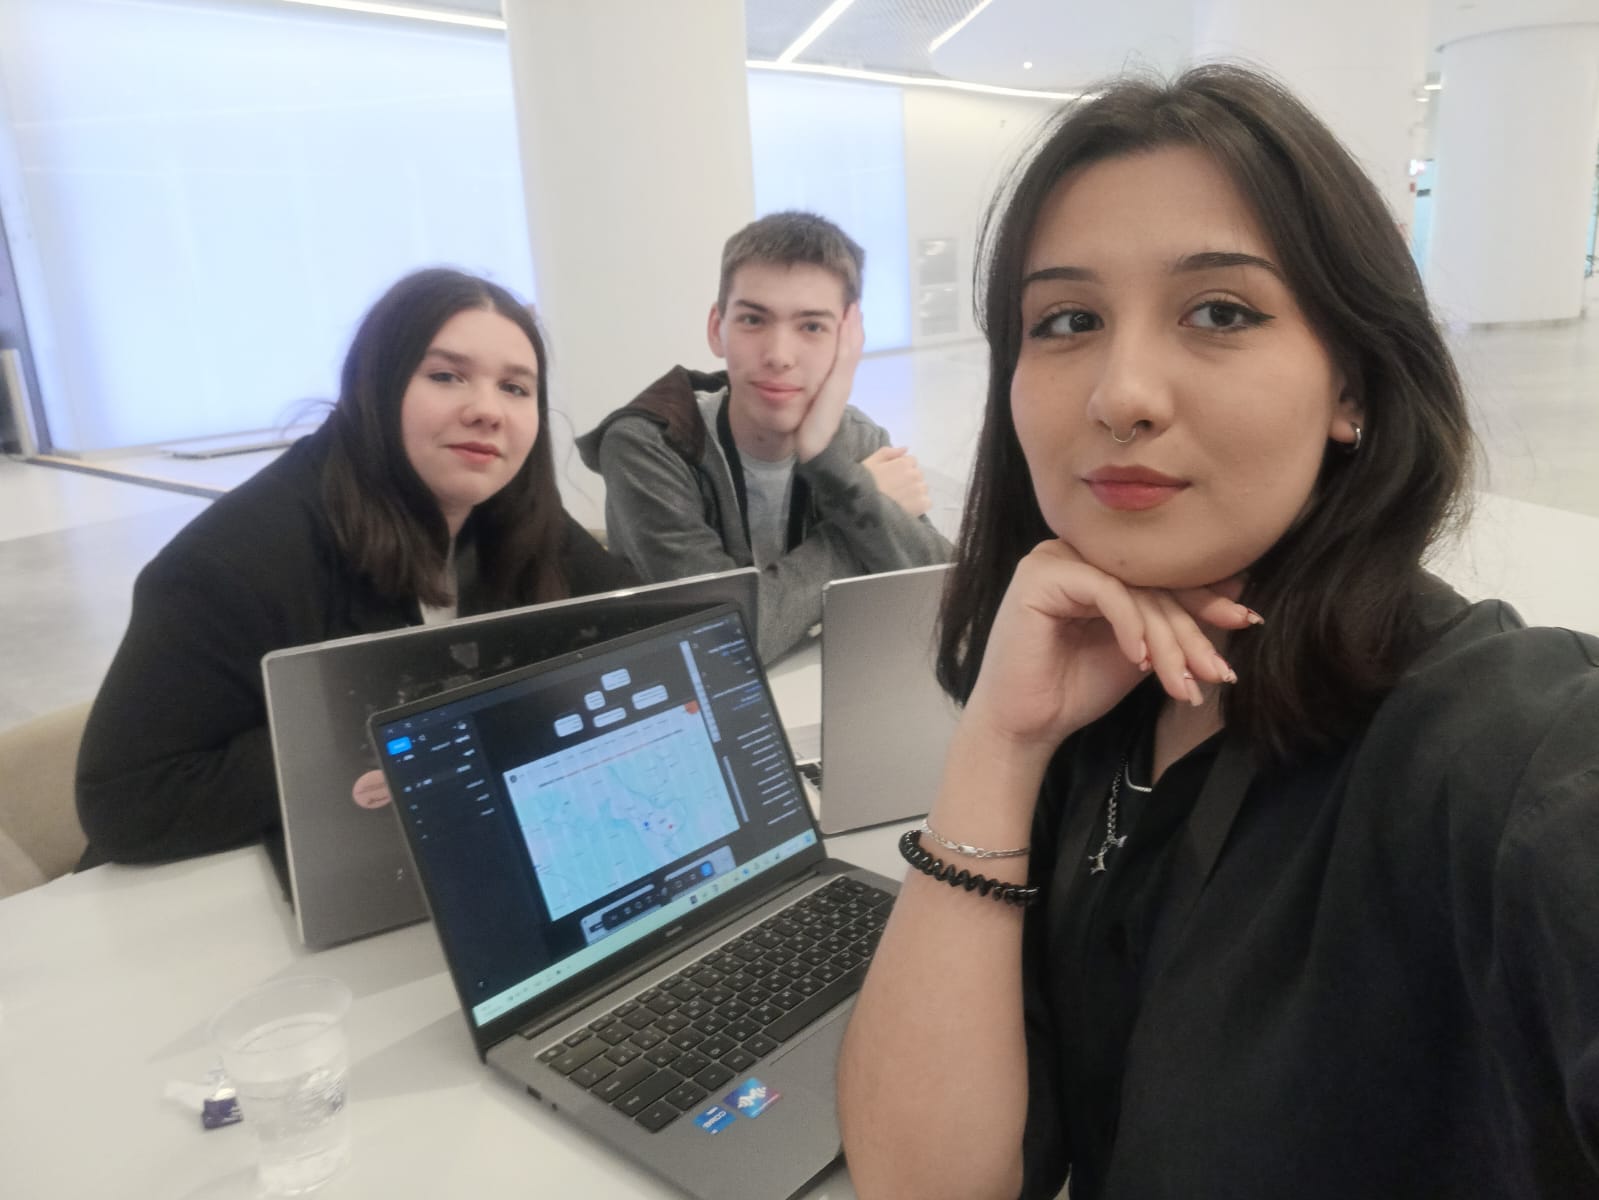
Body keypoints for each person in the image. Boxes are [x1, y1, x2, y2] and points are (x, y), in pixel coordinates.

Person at [837, 66, 1599, 1199]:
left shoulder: (1506, 748)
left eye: (1221, 313)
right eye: (1067, 321)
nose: (1122, 394)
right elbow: (925, 1185)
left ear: (1352, 386)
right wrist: (999, 744)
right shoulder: (1098, 706)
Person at [76, 269, 635, 865]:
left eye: (516, 388)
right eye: (446, 376)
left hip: (437, 843)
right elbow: (126, 802)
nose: (487, 411)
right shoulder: (232, 561)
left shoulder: (513, 511)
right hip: (241, 873)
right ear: (376, 386)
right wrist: (390, 736)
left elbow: (641, 629)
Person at [576, 211, 952, 661]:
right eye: (754, 320)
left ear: (848, 341)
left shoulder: (855, 437)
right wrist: (859, 506)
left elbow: (950, 598)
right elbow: (722, 638)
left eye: (812, 326)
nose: (779, 355)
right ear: (717, 329)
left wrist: (830, 463)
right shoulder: (648, 445)